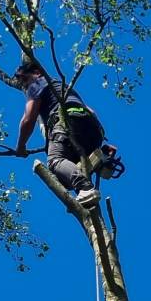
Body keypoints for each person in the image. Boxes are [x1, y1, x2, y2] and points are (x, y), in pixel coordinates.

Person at [13, 58, 124, 205]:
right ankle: (99, 157)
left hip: (67, 121)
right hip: (92, 128)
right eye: (22, 84)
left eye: (25, 79)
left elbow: (28, 119)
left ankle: (85, 187)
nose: (25, 85)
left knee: (55, 161)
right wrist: (98, 141)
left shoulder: (37, 83)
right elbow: (91, 111)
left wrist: (20, 146)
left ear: (37, 72)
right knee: (63, 180)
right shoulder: (61, 87)